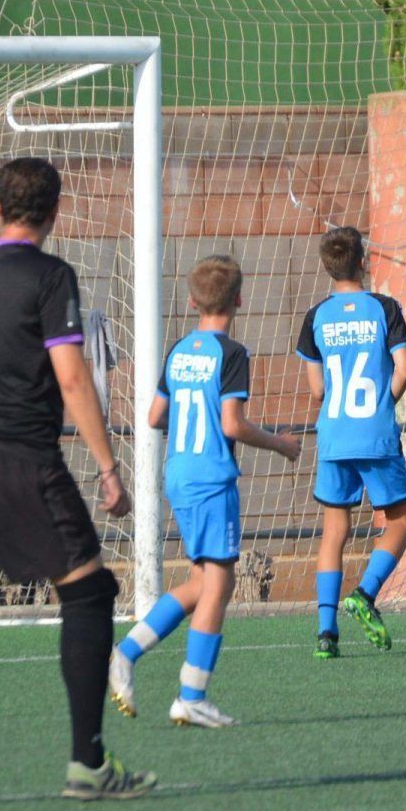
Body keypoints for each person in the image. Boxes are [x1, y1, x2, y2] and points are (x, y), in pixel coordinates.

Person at [0, 157, 155, 807]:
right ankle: (89, 763)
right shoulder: (51, 275)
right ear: (54, 210)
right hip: (17, 458)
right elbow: (71, 376)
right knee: (90, 591)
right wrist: (108, 466)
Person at [109, 256, 300, 727]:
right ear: (239, 298)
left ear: (192, 301)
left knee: (200, 582)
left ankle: (125, 654)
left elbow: (155, 416)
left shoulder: (179, 349)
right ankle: (191, 693)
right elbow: (231, 423)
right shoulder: (232, 354)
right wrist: (279, 444)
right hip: (213, 478)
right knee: (220, 584)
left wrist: (193, 423)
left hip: (179, 474)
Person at [295, 227, 406, 658]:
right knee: (401, 522)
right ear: (364, 261)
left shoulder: (316, 316)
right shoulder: (384, 308)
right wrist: (384, 405)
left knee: (334, 532)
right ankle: (364, 594)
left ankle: (326, 635)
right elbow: (403, 369)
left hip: (334, 435)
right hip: (375, 433)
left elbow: (317, 391)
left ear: (327, 267)